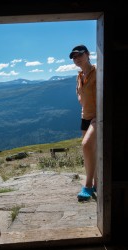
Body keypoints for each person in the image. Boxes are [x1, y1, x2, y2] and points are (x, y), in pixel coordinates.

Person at [69, 45, 97, 201]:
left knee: (86, 145)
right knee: (91, 151)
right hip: (85, 117)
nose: (77, 59)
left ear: (87, 54)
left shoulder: (98, 72)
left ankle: (87, 186)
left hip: (96, 117)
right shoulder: (79, 76)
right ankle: (96, 183)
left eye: (79, 55)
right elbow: (80, 95)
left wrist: (100, 113)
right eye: (74, 57)